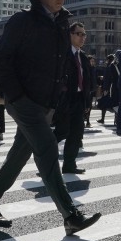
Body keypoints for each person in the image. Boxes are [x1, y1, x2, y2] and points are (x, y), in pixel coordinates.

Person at [0, 0, 101, 236]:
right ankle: (70, 214)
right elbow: (4, 59)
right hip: (23, 100)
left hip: (46, 102)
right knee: (46, 148)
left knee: (18, 156)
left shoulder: (61, 24)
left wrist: (59, 100)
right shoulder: (22, 20)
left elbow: (61, 66)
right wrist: (15, 95)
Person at [53, 22, 93, 174]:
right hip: (65, 98)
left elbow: (87, 80)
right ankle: (43, 157)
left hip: (79, 99)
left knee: (76, 133)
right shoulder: (62, 53)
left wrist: (87, 101)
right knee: (61, 131)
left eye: (84, 34)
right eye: (79, 34)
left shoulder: (82, 56)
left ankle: (69, 164)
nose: (82, 37)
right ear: (70, 35)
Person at [95, 54, 117, 125]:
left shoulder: (109, 67)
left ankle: (103, 119)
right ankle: (115, 119)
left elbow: (108, 79)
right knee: (114, 104)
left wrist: (105, 89)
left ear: (108, 60)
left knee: (105, 104)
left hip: (108, 88)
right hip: (113, 88)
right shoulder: (114, 66)